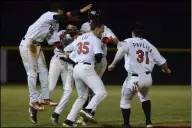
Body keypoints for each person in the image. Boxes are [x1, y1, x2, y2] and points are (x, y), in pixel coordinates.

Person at [19, 2, 92, 124]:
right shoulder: (48, 16)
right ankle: (33, 101)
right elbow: (63, 17)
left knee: (46, 74)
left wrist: (66, 49)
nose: (72, 28)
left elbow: (52, 41)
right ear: (58, 11)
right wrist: (80, 12)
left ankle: (52, 110)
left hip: (40, 48)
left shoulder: (56, 26)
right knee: (35, 75)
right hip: (30, 45)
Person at [108, 25, 171, 128]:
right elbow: (163, 62)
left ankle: (126, 124)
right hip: (147, 79)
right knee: (145, 97)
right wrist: (167, 70)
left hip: (134, 78)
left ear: (133, 34)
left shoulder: (128, 41)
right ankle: (148, 123)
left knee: (125, 101)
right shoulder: (150, 45)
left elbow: (121, 51)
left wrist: (113, 64)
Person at [77, 8, 119, 125]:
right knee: (86, 88)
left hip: (99, 61)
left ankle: (88, 113)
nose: (93, 20)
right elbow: (80, 37)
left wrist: (109, 40)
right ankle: (87, 113)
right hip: (87, 59)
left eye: (95, 18)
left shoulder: (104, 28)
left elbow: (116, 40)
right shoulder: (85, 26)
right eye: (92, 17)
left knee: (94, 89)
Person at [62, 20, 107, 127]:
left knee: (82, 97)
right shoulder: (95, 39)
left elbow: (66, 49)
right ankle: (88, 110)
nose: (102, 32)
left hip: (76, 69)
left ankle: (68, 121)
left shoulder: (80, 38)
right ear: (97, 28)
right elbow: (98, 57)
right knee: (101, 93)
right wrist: (96, 58)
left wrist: (73, 60)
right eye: (102, 29)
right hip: (87, 68)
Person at [49, 19, 80, 126]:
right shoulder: (61, 33)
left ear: (76, 29)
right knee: (50, 87)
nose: (71, 30)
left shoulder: (79, 37)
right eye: (69, 28)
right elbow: (50, 41)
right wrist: (58, 41)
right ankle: (34, 106)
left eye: (73, 29)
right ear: (66, 28)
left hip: (68, 64)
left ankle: (55, 114)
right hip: (57, 61)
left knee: (68, 90)